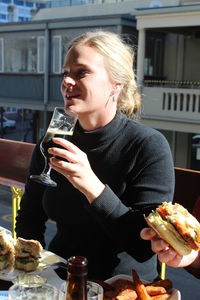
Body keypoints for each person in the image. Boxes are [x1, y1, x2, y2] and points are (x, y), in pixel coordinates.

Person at [15, 30, 174, 281]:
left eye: (81, 72)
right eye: (66, 74)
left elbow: (144, 247)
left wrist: (92, 187)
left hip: (122, 287)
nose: (67, 82)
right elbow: (30, 215)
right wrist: (32, 268)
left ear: (116, 84)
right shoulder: (54, 140)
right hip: (60, 279)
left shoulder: (148, 146)